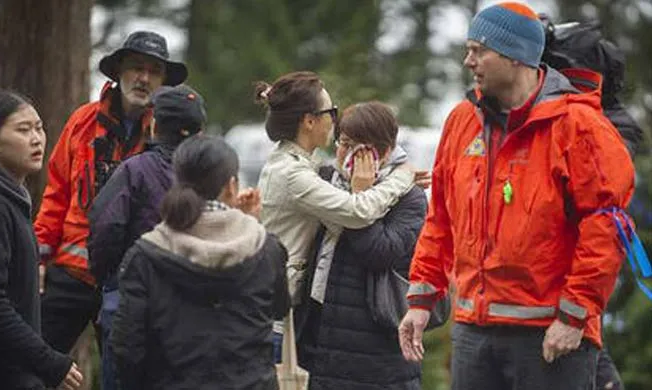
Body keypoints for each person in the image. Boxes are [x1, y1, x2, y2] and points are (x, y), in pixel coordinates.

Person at [398, 3, 635, 390]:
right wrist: (421, 300)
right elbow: (440, 216)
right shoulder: (461, 121)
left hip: (550, 336)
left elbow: (606, 228)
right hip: (474, 331)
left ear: (515, 56)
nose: (467, 60)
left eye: (478, 50)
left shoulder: (580, 126)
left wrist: (574, 316)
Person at [33, 31, 187, 360]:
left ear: (163, 81)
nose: (144, 78)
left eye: (154, 71)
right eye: (135, 67)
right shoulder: (82, 122)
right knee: (32, 364)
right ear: (119, 71)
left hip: (130, 280)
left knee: (126, 375)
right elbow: (56, 193)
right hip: (71, 274)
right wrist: (39, 257)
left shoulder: (167, 133)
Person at [254, 71, 416, 362]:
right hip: (275, 321)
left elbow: (338, 220)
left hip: (279, 313)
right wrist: (402, 178)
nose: (334, 119)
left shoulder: (296, 163)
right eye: (331, 111)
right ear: (309, 120)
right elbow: (357, 212)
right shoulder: (294, 174)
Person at [111, 135, 289, 389]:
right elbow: (279, 308)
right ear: (231, 186)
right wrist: (249, 222)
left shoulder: (145, 254)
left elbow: (127, 347)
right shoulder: (265, 247)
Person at [297, 102, 427, 389]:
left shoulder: (409, 197)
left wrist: (361, 196)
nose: (346, 153)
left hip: (375, 344)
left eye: (358, 147)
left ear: (383, 151)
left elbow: (381, 253)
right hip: (320, 330)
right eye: (343, 142)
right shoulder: (325, 180)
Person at [87, 84, 205, 390]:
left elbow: (104, 230)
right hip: (193, 316)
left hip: (130, 309)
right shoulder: (210, 180)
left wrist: (109, 279)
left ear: (153, 124)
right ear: (200, 131)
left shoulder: (133, 171)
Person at [0, 91, 83, 389]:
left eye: (39, 128)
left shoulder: (12, 201)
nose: (36, 139)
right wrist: (48, 361)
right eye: (23, 129)